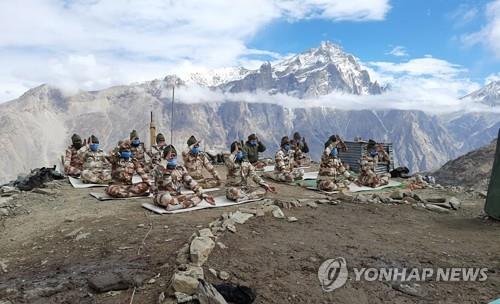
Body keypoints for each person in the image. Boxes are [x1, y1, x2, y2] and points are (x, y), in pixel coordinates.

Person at [152, 144, 215, 210]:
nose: (172, 157)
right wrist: (165, 166)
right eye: (170, 155)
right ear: (165, 157)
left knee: (199, 197)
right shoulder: (158, 168)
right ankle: (177, 203)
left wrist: (203, 195)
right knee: (167, 198)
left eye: (174, 155)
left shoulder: (180, 168)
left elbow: (191, 182)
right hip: (162, 196)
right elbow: (166, 182)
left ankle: (177, 206)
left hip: (177, 196)